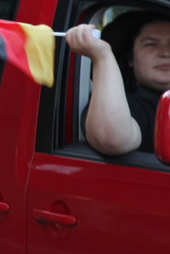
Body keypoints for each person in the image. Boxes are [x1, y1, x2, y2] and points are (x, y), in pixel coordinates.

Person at [65, 10, 170, 154]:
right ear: (130, 59)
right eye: (150, 44)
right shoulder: (126, 104)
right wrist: (102, 57)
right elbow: (112, 140)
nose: (165, 52)